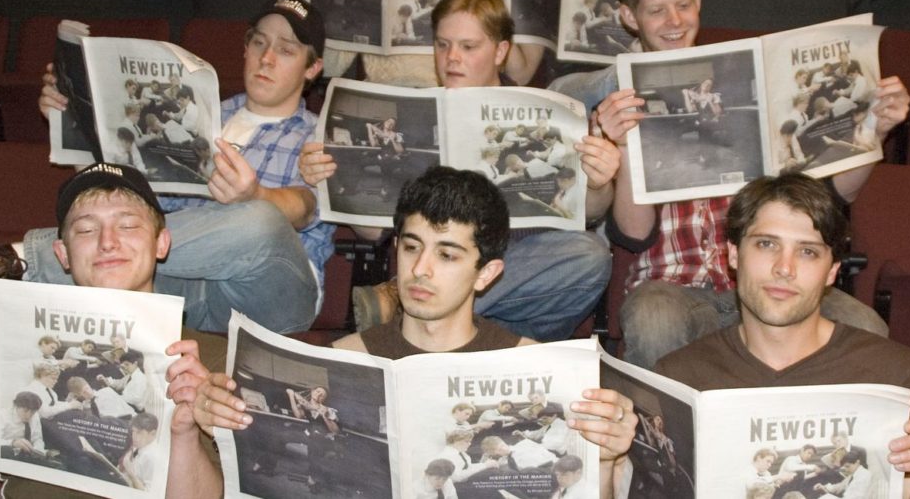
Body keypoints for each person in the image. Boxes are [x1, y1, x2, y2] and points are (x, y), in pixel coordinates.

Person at [170, 167, 637, 498]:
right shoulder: (346, 357)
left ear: (486, 274)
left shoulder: (531, 363)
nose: (421, 269)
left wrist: (605, 460)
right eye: (412, 247)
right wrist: (213, 424)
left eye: (447, 255)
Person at [552, 0, 908, 368]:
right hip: (671, 284)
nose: (674, 21)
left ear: (699, 1)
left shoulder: (756, 80)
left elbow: (839, 193)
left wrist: (874, 132)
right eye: (657, 10)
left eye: (683, 5)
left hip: (770, 278)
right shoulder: (616, 105)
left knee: (864, 325)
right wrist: (625, 144)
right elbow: (633, 235)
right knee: (654, 318)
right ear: (630, 17)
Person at [300, 0, 617, 341]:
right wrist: (330, 178)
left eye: (468, 47)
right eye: (442, 44)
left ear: (500, 51)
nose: (452, 58)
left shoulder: (544, 110)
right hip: (434, 286)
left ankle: (404, 305)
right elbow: (374, 233)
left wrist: (599, 182)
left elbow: (589, 213)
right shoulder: (415, 115)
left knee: (590, 253)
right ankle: (429, 316)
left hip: (518, 298)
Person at [30, 0, 335, 334]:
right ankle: (22, 266)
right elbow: (116, 198)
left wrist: (256, 195)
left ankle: (26, 255)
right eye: (259, 43)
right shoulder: (196, 115)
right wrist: (70, 122)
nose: (267, 58)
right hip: (178, 280)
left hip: (266, 291)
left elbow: (306, 208)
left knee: (260, 218)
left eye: (286, 50)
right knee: (96, 254)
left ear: (312, 68)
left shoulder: (323, 136)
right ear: (245, 49)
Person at [654, 173, 910, 499]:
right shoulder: (677, 379)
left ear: (832, 271)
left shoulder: (897, 375)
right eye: (766, 244)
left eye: (807, 251)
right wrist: (613, 467)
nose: (784, 268)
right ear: (733, 254)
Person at [0, 162, 225, 497]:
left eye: (128, 225)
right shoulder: (8, 338)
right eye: (86, 230)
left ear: (161, 243)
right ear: (62, 254)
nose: (107, 242)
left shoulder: (214, 360)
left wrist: (185, 432)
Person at [291, 0, 544, 88]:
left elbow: (519, 74)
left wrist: (494, 6)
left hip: (456, 95)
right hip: (384, 92)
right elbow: (330, 67)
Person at [117, 412, 161, 490]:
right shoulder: (141, 446)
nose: (134, 437)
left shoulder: (151, 457)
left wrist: (131, 474)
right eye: (133, 431)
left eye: (139, 433)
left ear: (152, 433)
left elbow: (147, 493)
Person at [1, 392, 49, 459]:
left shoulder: (35, 416)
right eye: (25, 411)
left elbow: (37, 438)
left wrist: (38, 449)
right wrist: (13, 442)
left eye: (32, 412)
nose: (28, 416)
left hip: (27, 455)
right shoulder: (2, 416)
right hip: (6, 454)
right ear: (16, 406)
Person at [66, 376, 137, 419]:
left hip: (127, 419)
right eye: (84, 392)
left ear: (88, 384)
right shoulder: (85, 407)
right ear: (79, 395)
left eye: (87, 388)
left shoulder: (106, 392)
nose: (88, 392)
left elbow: (125, 411)